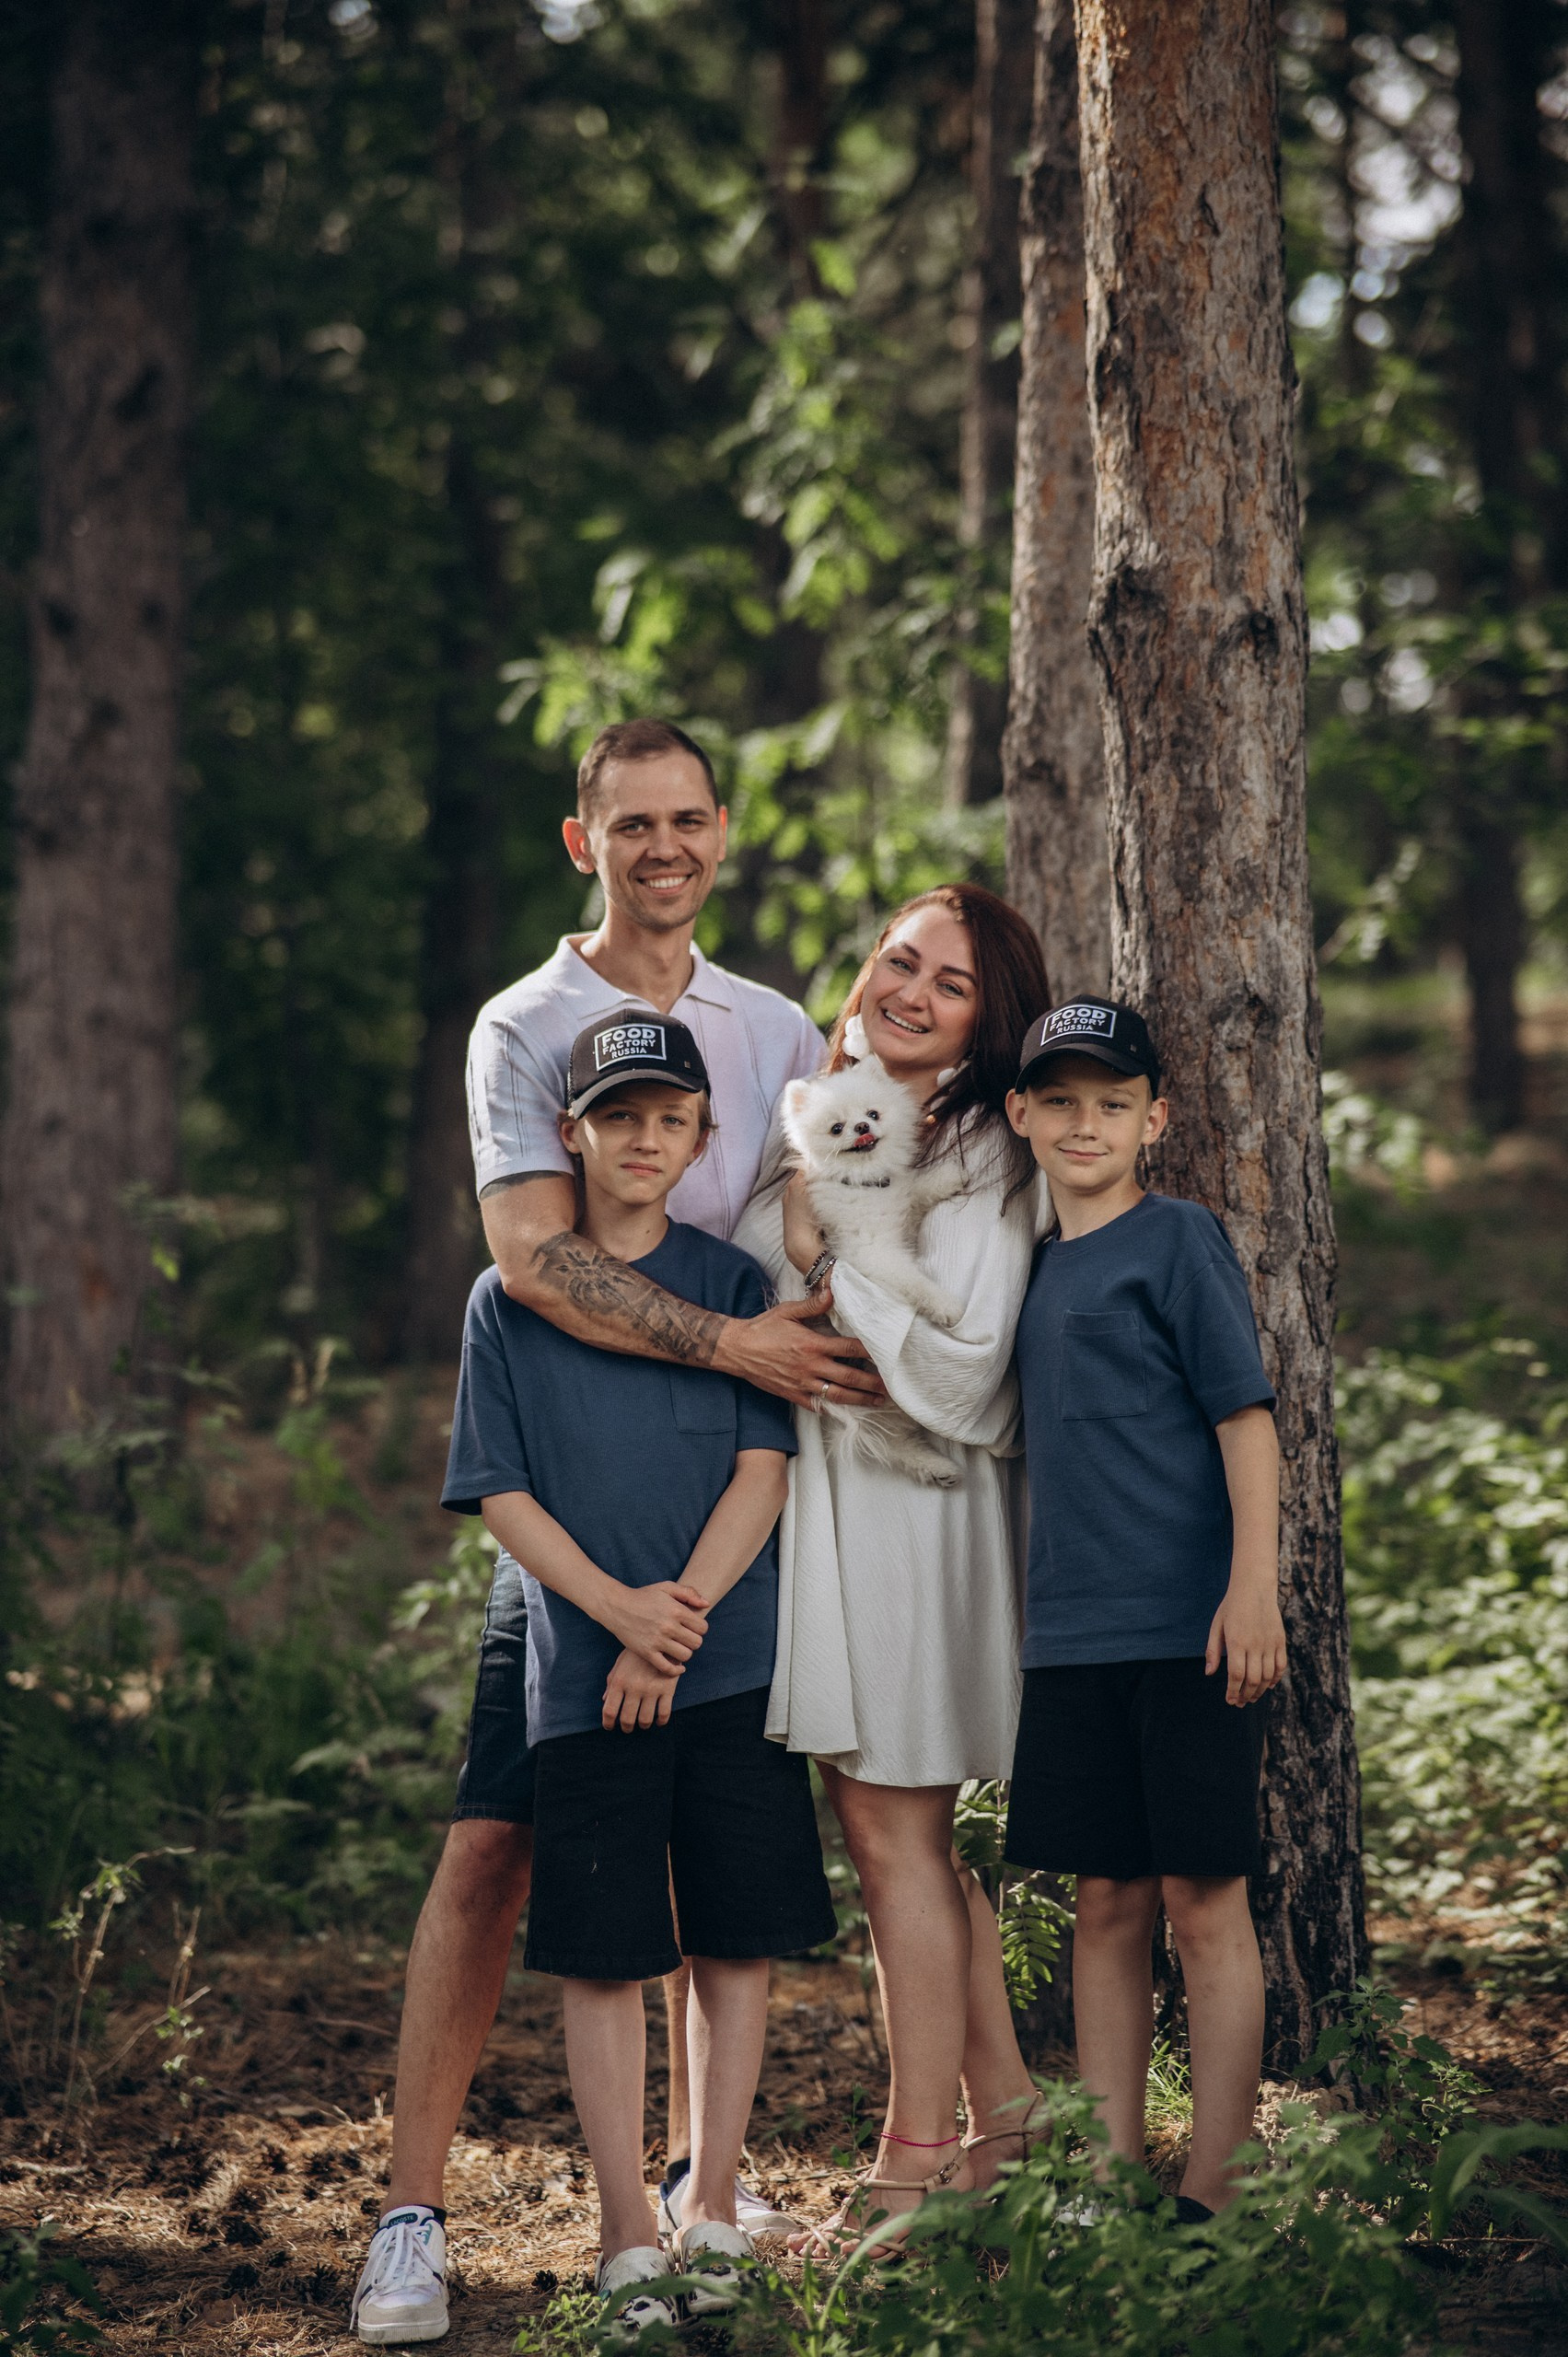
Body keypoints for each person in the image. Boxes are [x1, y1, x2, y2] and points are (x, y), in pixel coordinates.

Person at [351, 719, 879, 2344]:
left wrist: (813, 1304)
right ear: (584, 840)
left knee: (741, 1861)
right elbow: (530, 1258)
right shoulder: (530, 1021)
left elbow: (810, 1213)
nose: (662, 846)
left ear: (721, 832)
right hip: (579, 1527)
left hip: (738, 1506)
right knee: (500, 1843)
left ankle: (703, 2198)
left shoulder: (774, 1024)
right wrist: (734, 1345)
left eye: (687, 820)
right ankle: (412, 2210)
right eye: (628, 822)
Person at [438, 1015, 836, 2340]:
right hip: (581, 1670)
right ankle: (624, 2233)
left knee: (730, 1937)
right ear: (572, 1135)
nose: (645, 1139)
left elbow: (762, 1472)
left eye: (671, 1119)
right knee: (605, 1953)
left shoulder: (730, 1290)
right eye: (619, 1118)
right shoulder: (511, 1300)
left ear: (705, 1139)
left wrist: (683, 1622)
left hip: (726, 1669)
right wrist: (616, 1615)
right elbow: (497, 1489)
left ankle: (710, 2206)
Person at [733, 883, 1051, 2251]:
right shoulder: (826, 1098)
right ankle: (1015, 2124)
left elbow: (967, 1357)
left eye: (954, 983)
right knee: (898, 1836)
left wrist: (813, 1259)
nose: (911, 990)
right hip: (829, 1499)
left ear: (987, 1030)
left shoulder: (987, 1148)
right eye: (900, 960)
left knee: (892, 1833)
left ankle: (914, 2160)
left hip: (916, 1513)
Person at [1001, 996, 1286, 2221]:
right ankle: (1113, 2174)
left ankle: (1220, 2178)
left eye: (1112, 1103)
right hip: (1070, 1633)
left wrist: (1254, 1583)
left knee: (1200, 1896)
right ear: (1018, 1113)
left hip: (1190, 1626)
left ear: (1155, 1119)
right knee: (1105, 1899)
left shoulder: (1177, 1243)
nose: (1084, 1122)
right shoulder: (1022, 1264)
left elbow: (1245, 1416)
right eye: (1059, 1100)